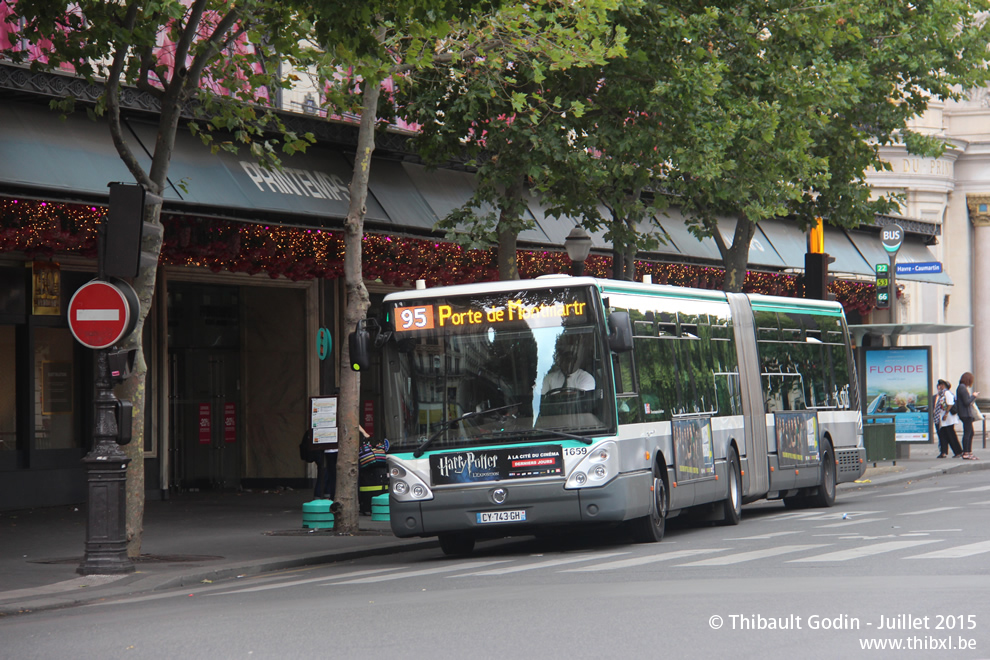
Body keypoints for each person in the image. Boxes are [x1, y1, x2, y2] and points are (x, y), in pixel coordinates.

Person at [934, 379, 963, 458]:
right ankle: (943, 452)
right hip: (944, 419)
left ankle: (958, 451)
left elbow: (950, 404)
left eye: (941, 385)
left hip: (948, 418)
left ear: (944, 386)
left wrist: (946, 414)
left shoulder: (947, 393)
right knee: (943, 435)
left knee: (951, 435)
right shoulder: (941, 394)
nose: (939, 387)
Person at [957, 372, 980, 460]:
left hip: (965, 414)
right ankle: (966, 452)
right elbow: (967, 402)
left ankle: (968, 452)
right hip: (965, 414)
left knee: (970, 432)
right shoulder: (962, 388)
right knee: (968, 433)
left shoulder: (961, 387)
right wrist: (973, 396)